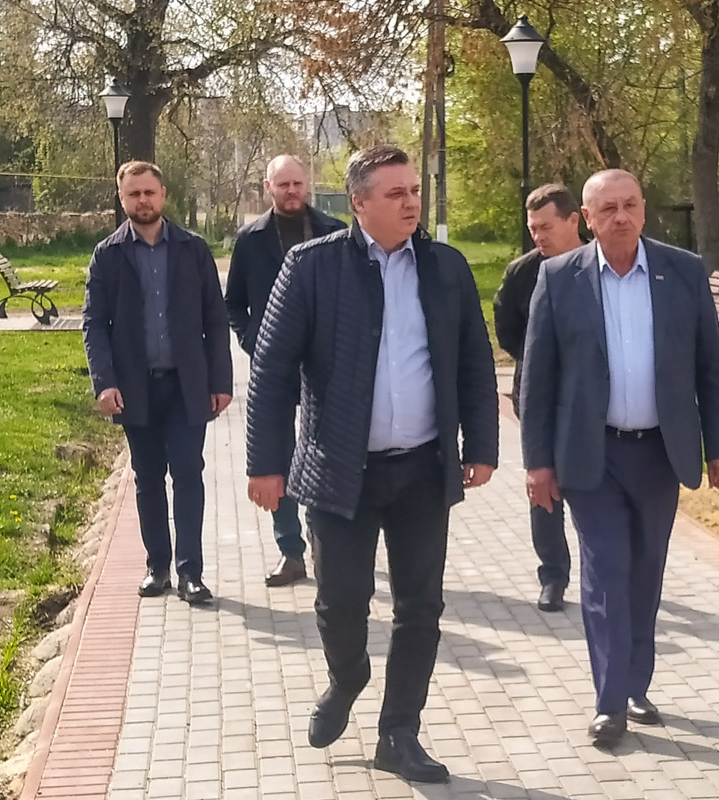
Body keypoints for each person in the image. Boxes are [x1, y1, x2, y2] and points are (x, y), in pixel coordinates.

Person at [245, 145, 499, 783]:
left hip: (422, 469)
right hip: (339, 470)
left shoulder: (445, 267)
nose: (412, 203)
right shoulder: (311, 266)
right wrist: (265, 464)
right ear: (359, 203)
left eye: (414, 191)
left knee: (420, 607)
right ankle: (347, 676)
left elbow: (474, 361)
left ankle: (399, 732)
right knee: (340, 602)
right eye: (396, 194)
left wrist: (482, 446)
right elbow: (271, 373)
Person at [520, 169, 719, 746]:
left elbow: (712, 368)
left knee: (645, 571)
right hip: (591, 455)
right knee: (606, 570)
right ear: (587, 219)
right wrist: (537, 463)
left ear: (643, 210)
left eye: (630, 205)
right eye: (608, 209)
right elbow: (537, 381)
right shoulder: (559, 278)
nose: (621, 217)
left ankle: (636, 683)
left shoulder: (682, 271)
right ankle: (610, 701)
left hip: (659, 454)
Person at [83, 160, 233, 605]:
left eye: (149, 192)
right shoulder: (108, 255)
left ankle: (191, 573)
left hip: (187, 385)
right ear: (122, 199)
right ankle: (157, 567)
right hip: (135, 388)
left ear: (163, 195)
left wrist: (221, 381)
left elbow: (215, 319)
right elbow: (94, 323)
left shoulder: (193, 249)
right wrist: (104, 382)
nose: (143, 200)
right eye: (134, 194)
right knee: (148, 478)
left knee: (188, 473)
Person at [225, 154, 346, 587]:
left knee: (323, 455)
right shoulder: (251, 239)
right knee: (277, 455)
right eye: (283, 185)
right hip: (274, 368)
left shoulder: (335, 232)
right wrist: (254, 343)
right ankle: (290, 551)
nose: (292, 191)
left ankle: (326, 543)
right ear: (268, 188)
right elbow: (234, 303)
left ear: (306, 184)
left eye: (297, 183)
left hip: (326, 366)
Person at [492, 183, 583, 613]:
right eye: (533, 229)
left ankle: (608, 570)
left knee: (593, 485)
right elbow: (506, 327)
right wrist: (537, 362)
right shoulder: (522, 273)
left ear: (574, 220)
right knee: (543, 485)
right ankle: (553, 575)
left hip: (591, 399)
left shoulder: (598, 266)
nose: (538, 236)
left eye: (546, 227)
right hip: (537, 397)